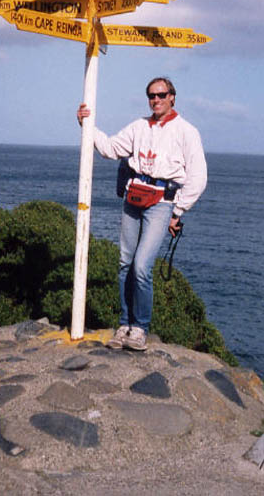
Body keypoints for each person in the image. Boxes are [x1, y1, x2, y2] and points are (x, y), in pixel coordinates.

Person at [76, 76, 207, 351]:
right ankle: (124, 324)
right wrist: (87, 124)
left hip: (161, 203)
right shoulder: (138, 127)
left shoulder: (187, 132)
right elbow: (111, 149)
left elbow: (198, 177)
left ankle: (140, 328)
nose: (156, 100)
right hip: (133, 197)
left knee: (141, 266)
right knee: (125, 263)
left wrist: (178, 210)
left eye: (161, 95)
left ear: (173, 96)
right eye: (151, 95)